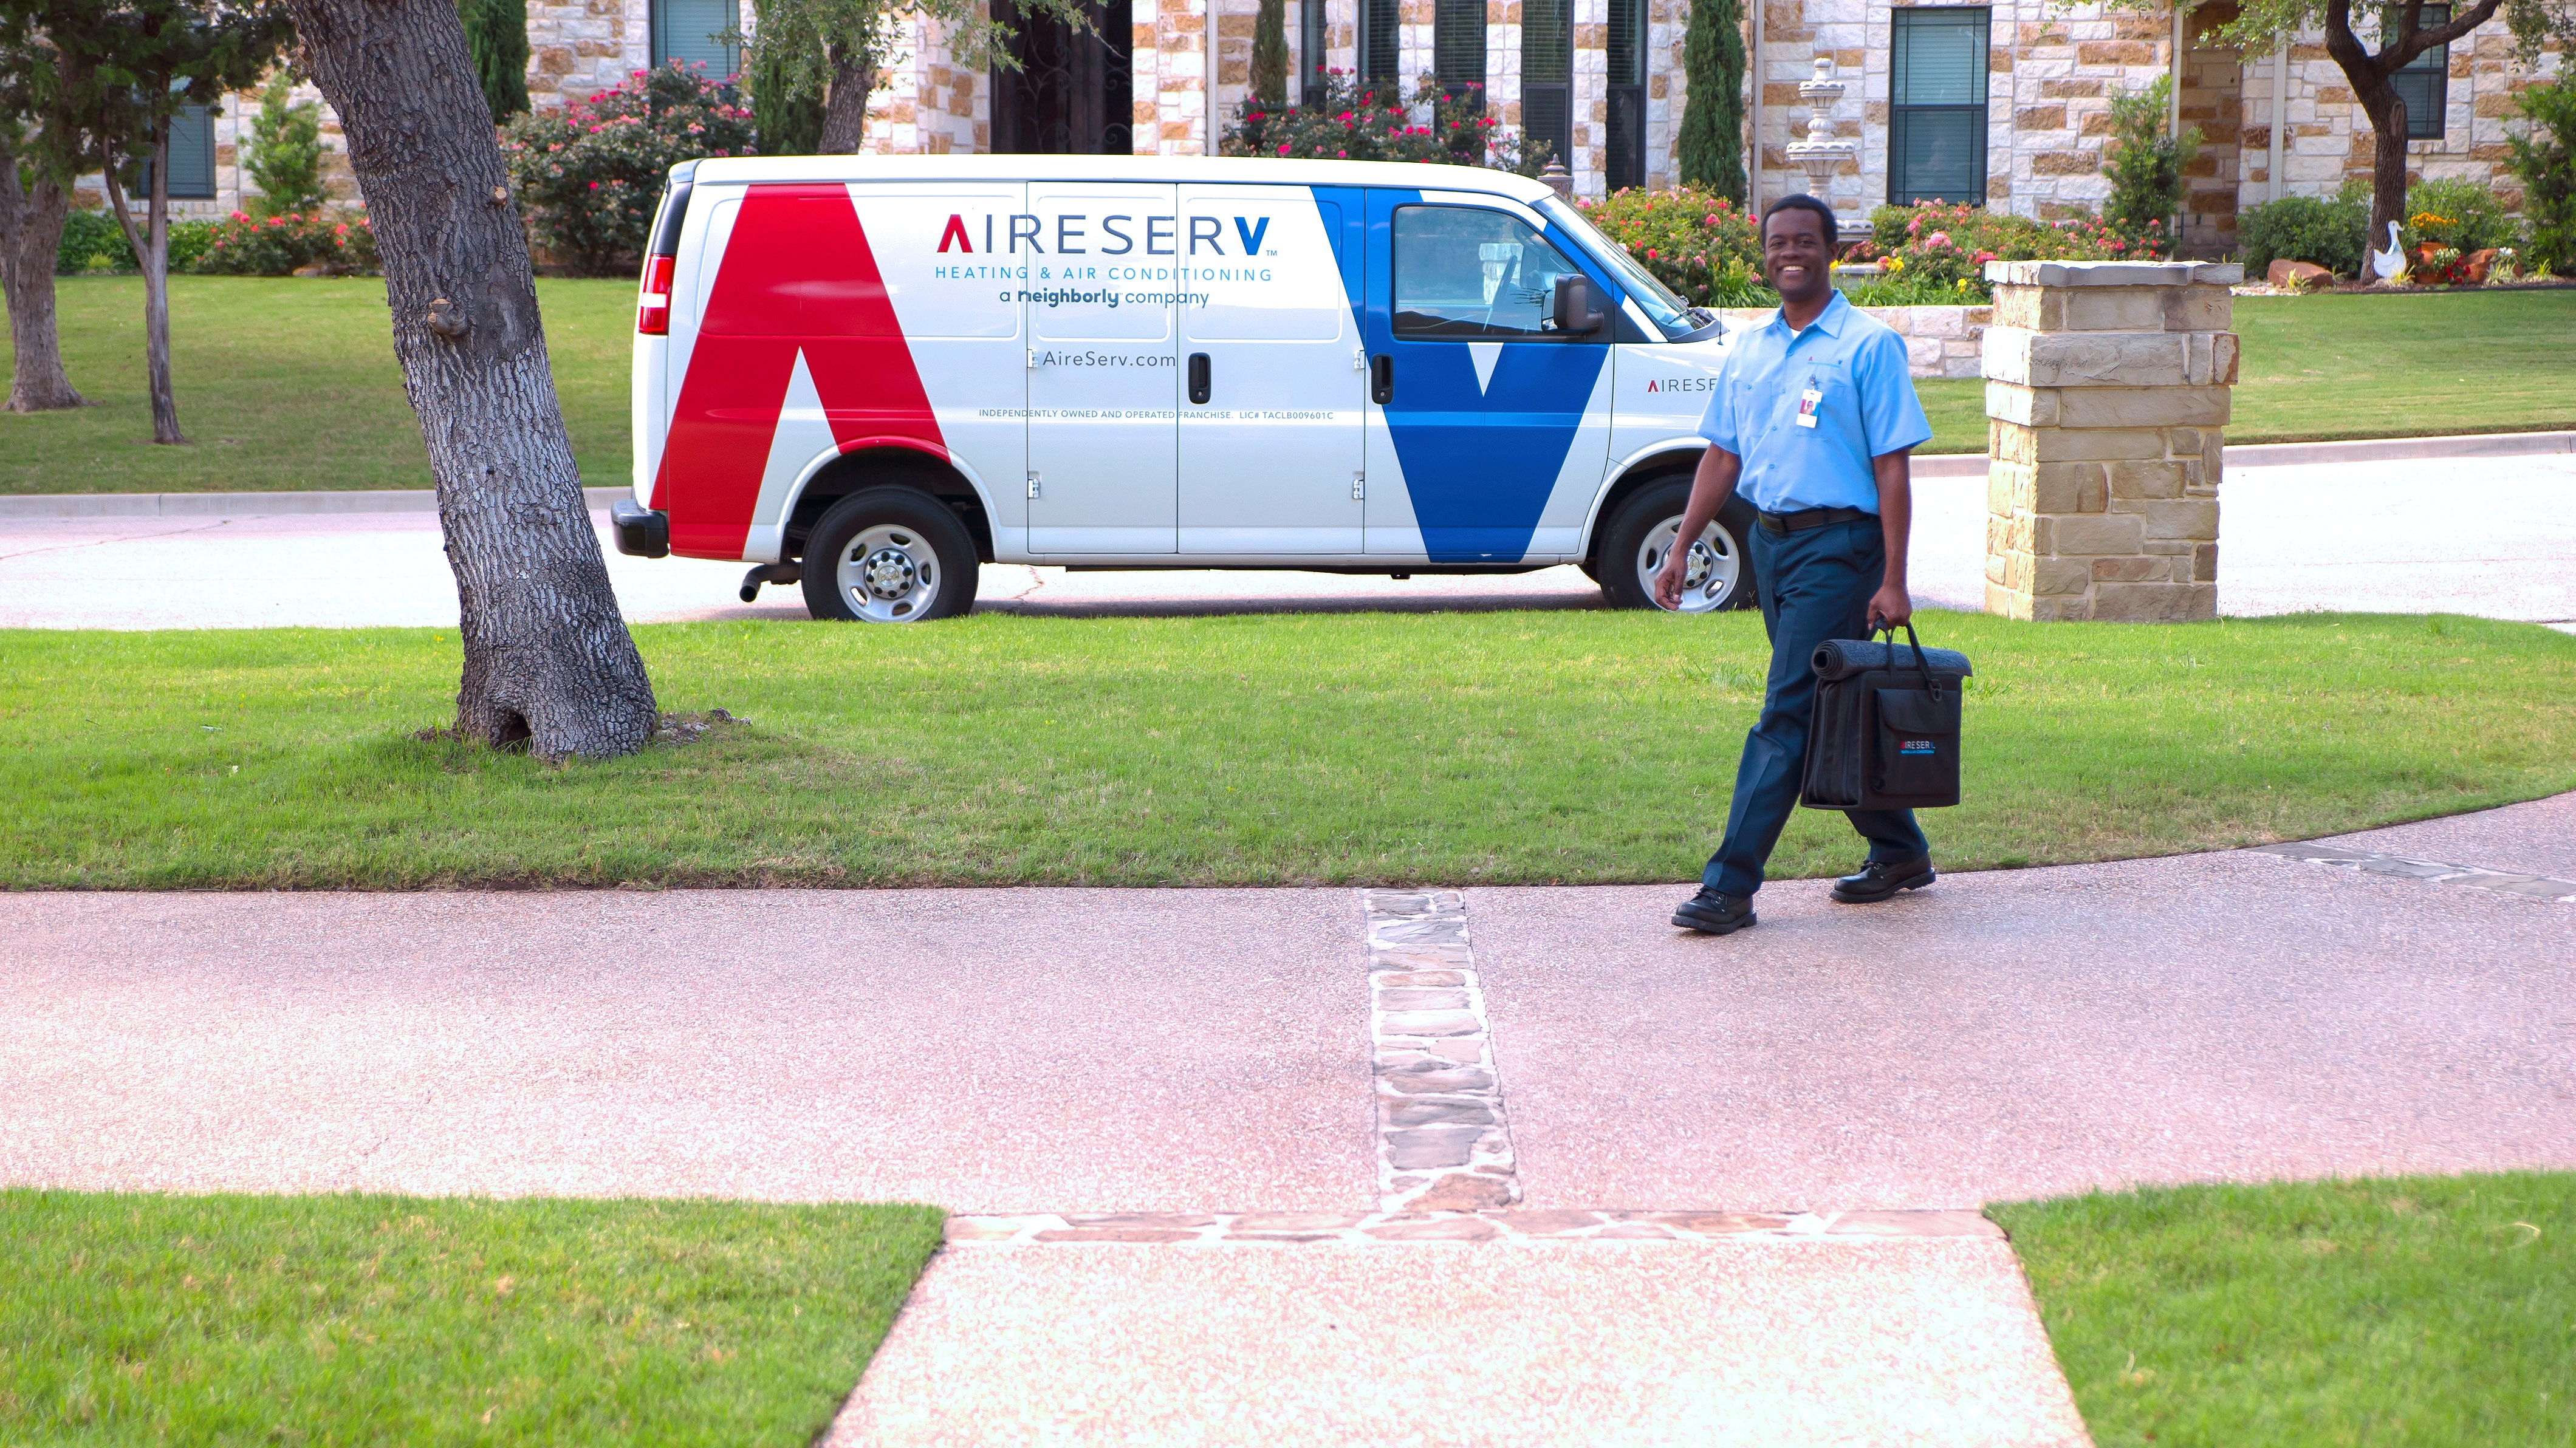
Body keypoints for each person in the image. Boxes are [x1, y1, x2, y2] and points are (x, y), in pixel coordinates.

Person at [1654, 193, 1936, 936]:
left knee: (1786, 711)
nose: (1790, 253)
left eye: (1805, 241)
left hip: (1840, 548)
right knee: (1823, 708)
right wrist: (1682, 545)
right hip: (1770, 546)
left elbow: (1892, 468)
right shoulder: (1749, 348)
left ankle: (1729, 886)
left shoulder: (1869, 346)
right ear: (1764, 251)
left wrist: (1894, 578)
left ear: (1829, 250)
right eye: (1778, 241)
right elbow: (1722, 454)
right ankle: (1900, 850)